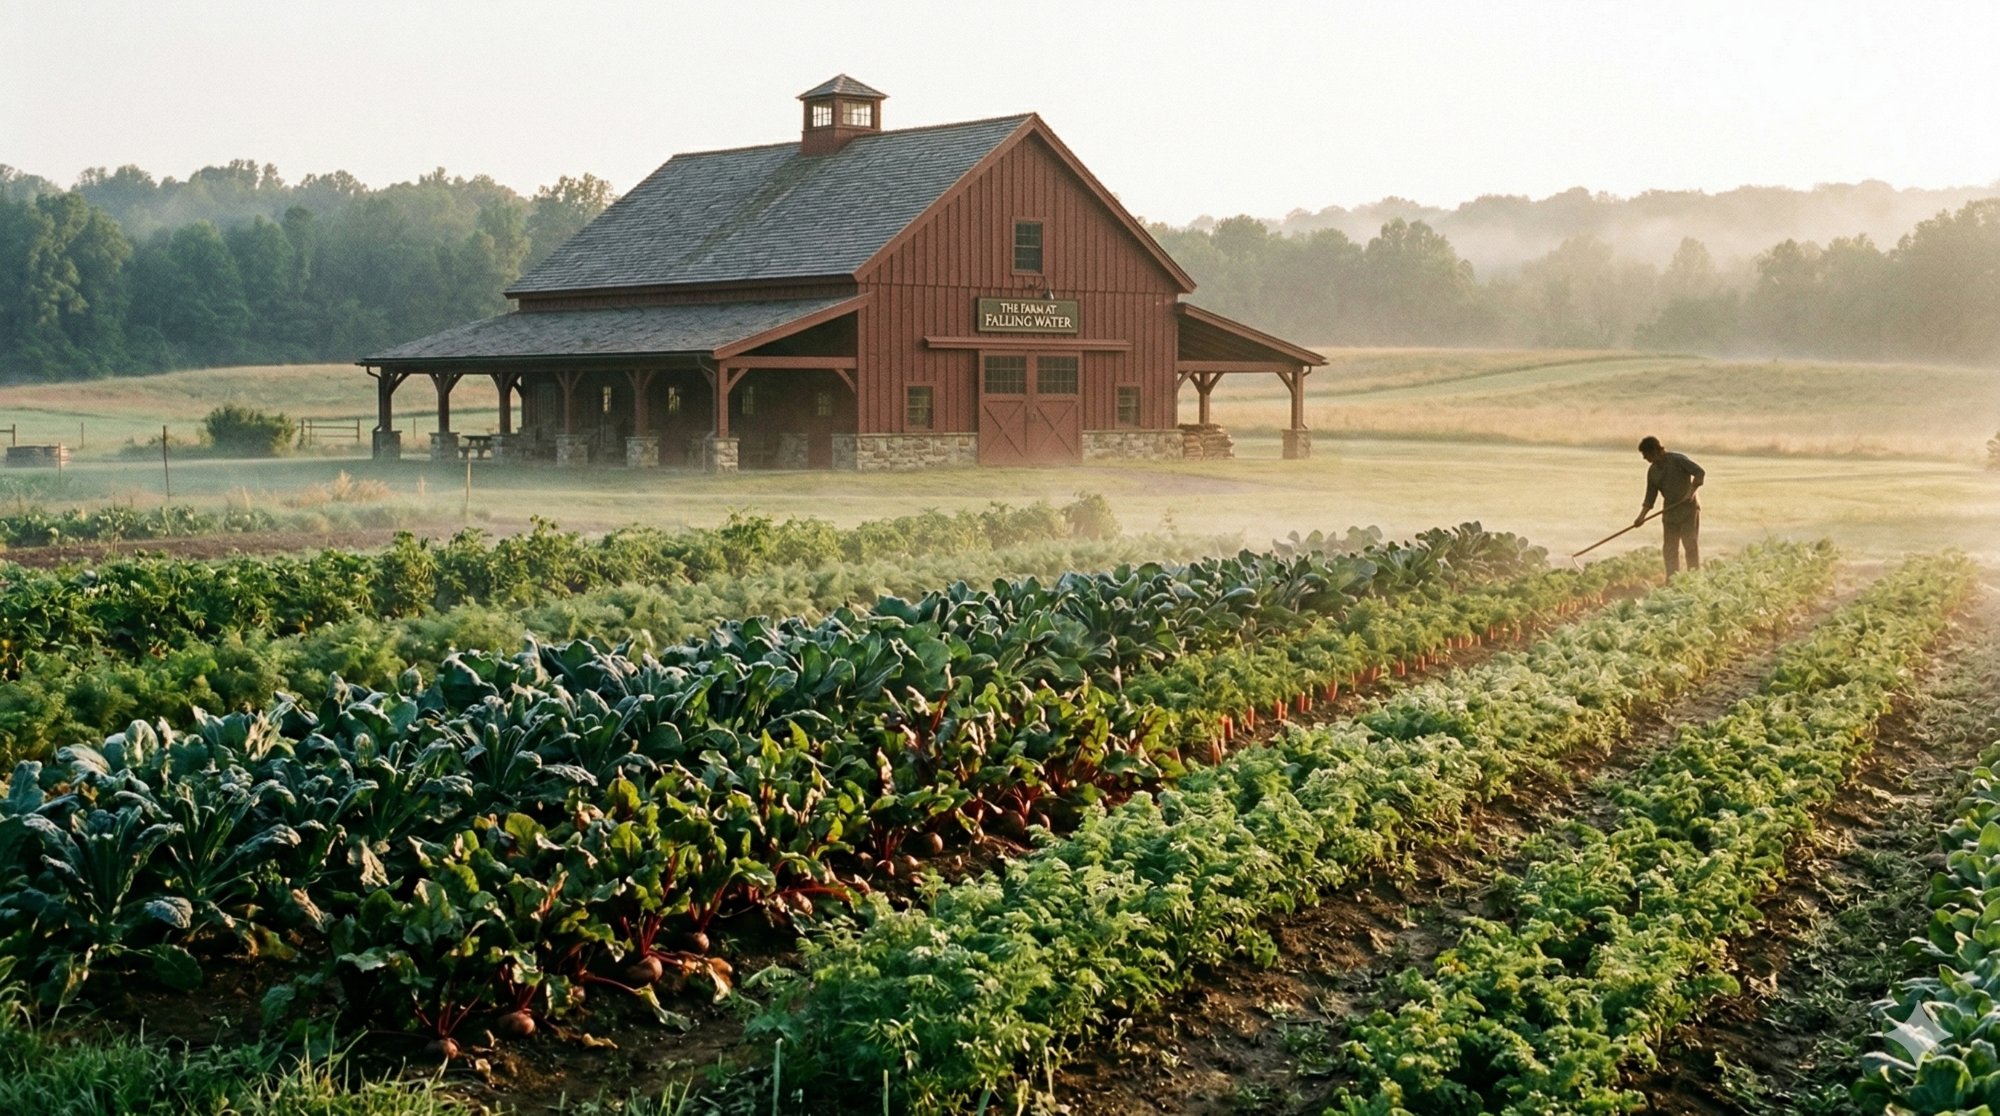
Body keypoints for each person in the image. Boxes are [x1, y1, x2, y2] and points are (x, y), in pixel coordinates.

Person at [1634, 435, 1705, 577]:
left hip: (1688, 510)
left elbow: (1700, 472)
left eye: (1646, 454)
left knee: (1690, 545)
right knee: (1670, 549)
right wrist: (1641, 517)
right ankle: (1672, 580)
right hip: (1670, 513)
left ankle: (1694, 578)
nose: (1644, 458)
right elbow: (1650, 497)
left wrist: (1690, 492)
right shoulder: (1653, 472)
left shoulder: (1678, 460)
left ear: (1655, 451)